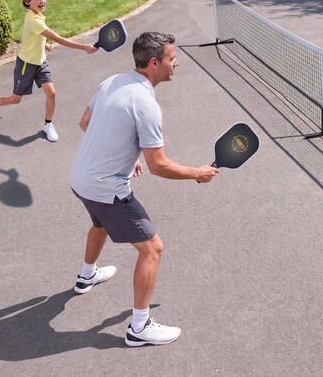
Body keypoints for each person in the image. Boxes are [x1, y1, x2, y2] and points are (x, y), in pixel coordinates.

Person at [68, 32, 219, 347]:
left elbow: (86, 122)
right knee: (152, 248)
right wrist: (197, 173)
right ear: (154, 63)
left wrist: (125, 155)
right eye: (171, 58)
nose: (176, 63)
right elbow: (159, 165)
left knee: (100, 222)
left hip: (80, 178)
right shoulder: (147, 105)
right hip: (105, 187)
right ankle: (139, 327)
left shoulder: (111, 81)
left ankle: (86, 276)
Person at [0, 0, 97, 142]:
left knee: (51, 93)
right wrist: (84, 47)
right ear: (27, 1)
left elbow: (29, 35)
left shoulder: (37, 16)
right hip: (26, 64)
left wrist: (43, 44)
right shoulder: (34, 20)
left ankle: (47, 125)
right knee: (16, 99)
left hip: (40, 62)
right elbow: (58, 38)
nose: (42, 1)